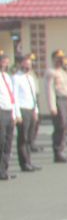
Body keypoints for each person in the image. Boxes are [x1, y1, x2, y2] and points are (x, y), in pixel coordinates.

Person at [13, 53, 40, 172]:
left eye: (29, 63)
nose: (28, 65)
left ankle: (29, 161)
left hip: (31, 108)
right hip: (22, 109)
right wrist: (17, 114)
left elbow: (33, 96)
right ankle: (24, 163)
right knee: (23, 138)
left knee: (30, 137)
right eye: (26, 63)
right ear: (20, 64)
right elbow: (14, 97)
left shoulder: (30, 78)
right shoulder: (16, 78)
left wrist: (36, 110)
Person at [45, 49, 67, 163]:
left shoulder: (63, 72)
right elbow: (49, 90)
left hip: (65, 100)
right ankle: (57, 152)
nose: (61, 60)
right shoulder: (51, 72)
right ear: (53, 59)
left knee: (66, 126)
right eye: (58, 58)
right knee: (60, 126)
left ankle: (62, 150)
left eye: (62, 58)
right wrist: (52, 106)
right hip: (58, 100)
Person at [0, 51, 19, 180]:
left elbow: (12, 96)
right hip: (0, 111)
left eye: (6, 61)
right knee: (1, 142)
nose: (5, 63)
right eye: (2, 61)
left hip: (9, 111)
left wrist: (15, 113)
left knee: (8, 141)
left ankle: (4, 170)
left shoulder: (7, 76)